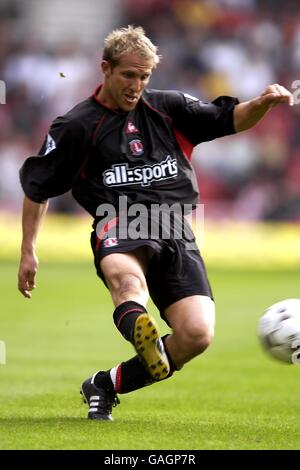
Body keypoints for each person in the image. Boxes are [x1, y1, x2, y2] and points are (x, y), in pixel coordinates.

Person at [18, 26, 294, 421]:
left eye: (144, 76)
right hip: (118, 223)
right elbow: (39, 186)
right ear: (106, 69)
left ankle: (104, 384)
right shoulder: (77, 126)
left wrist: (264, 101)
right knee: (125, 280)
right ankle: (139, 327)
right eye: (128, 75)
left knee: (196, 336)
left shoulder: (169, 108)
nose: (136, 85)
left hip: (175, 228)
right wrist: (29, 250)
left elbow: (231, 118)